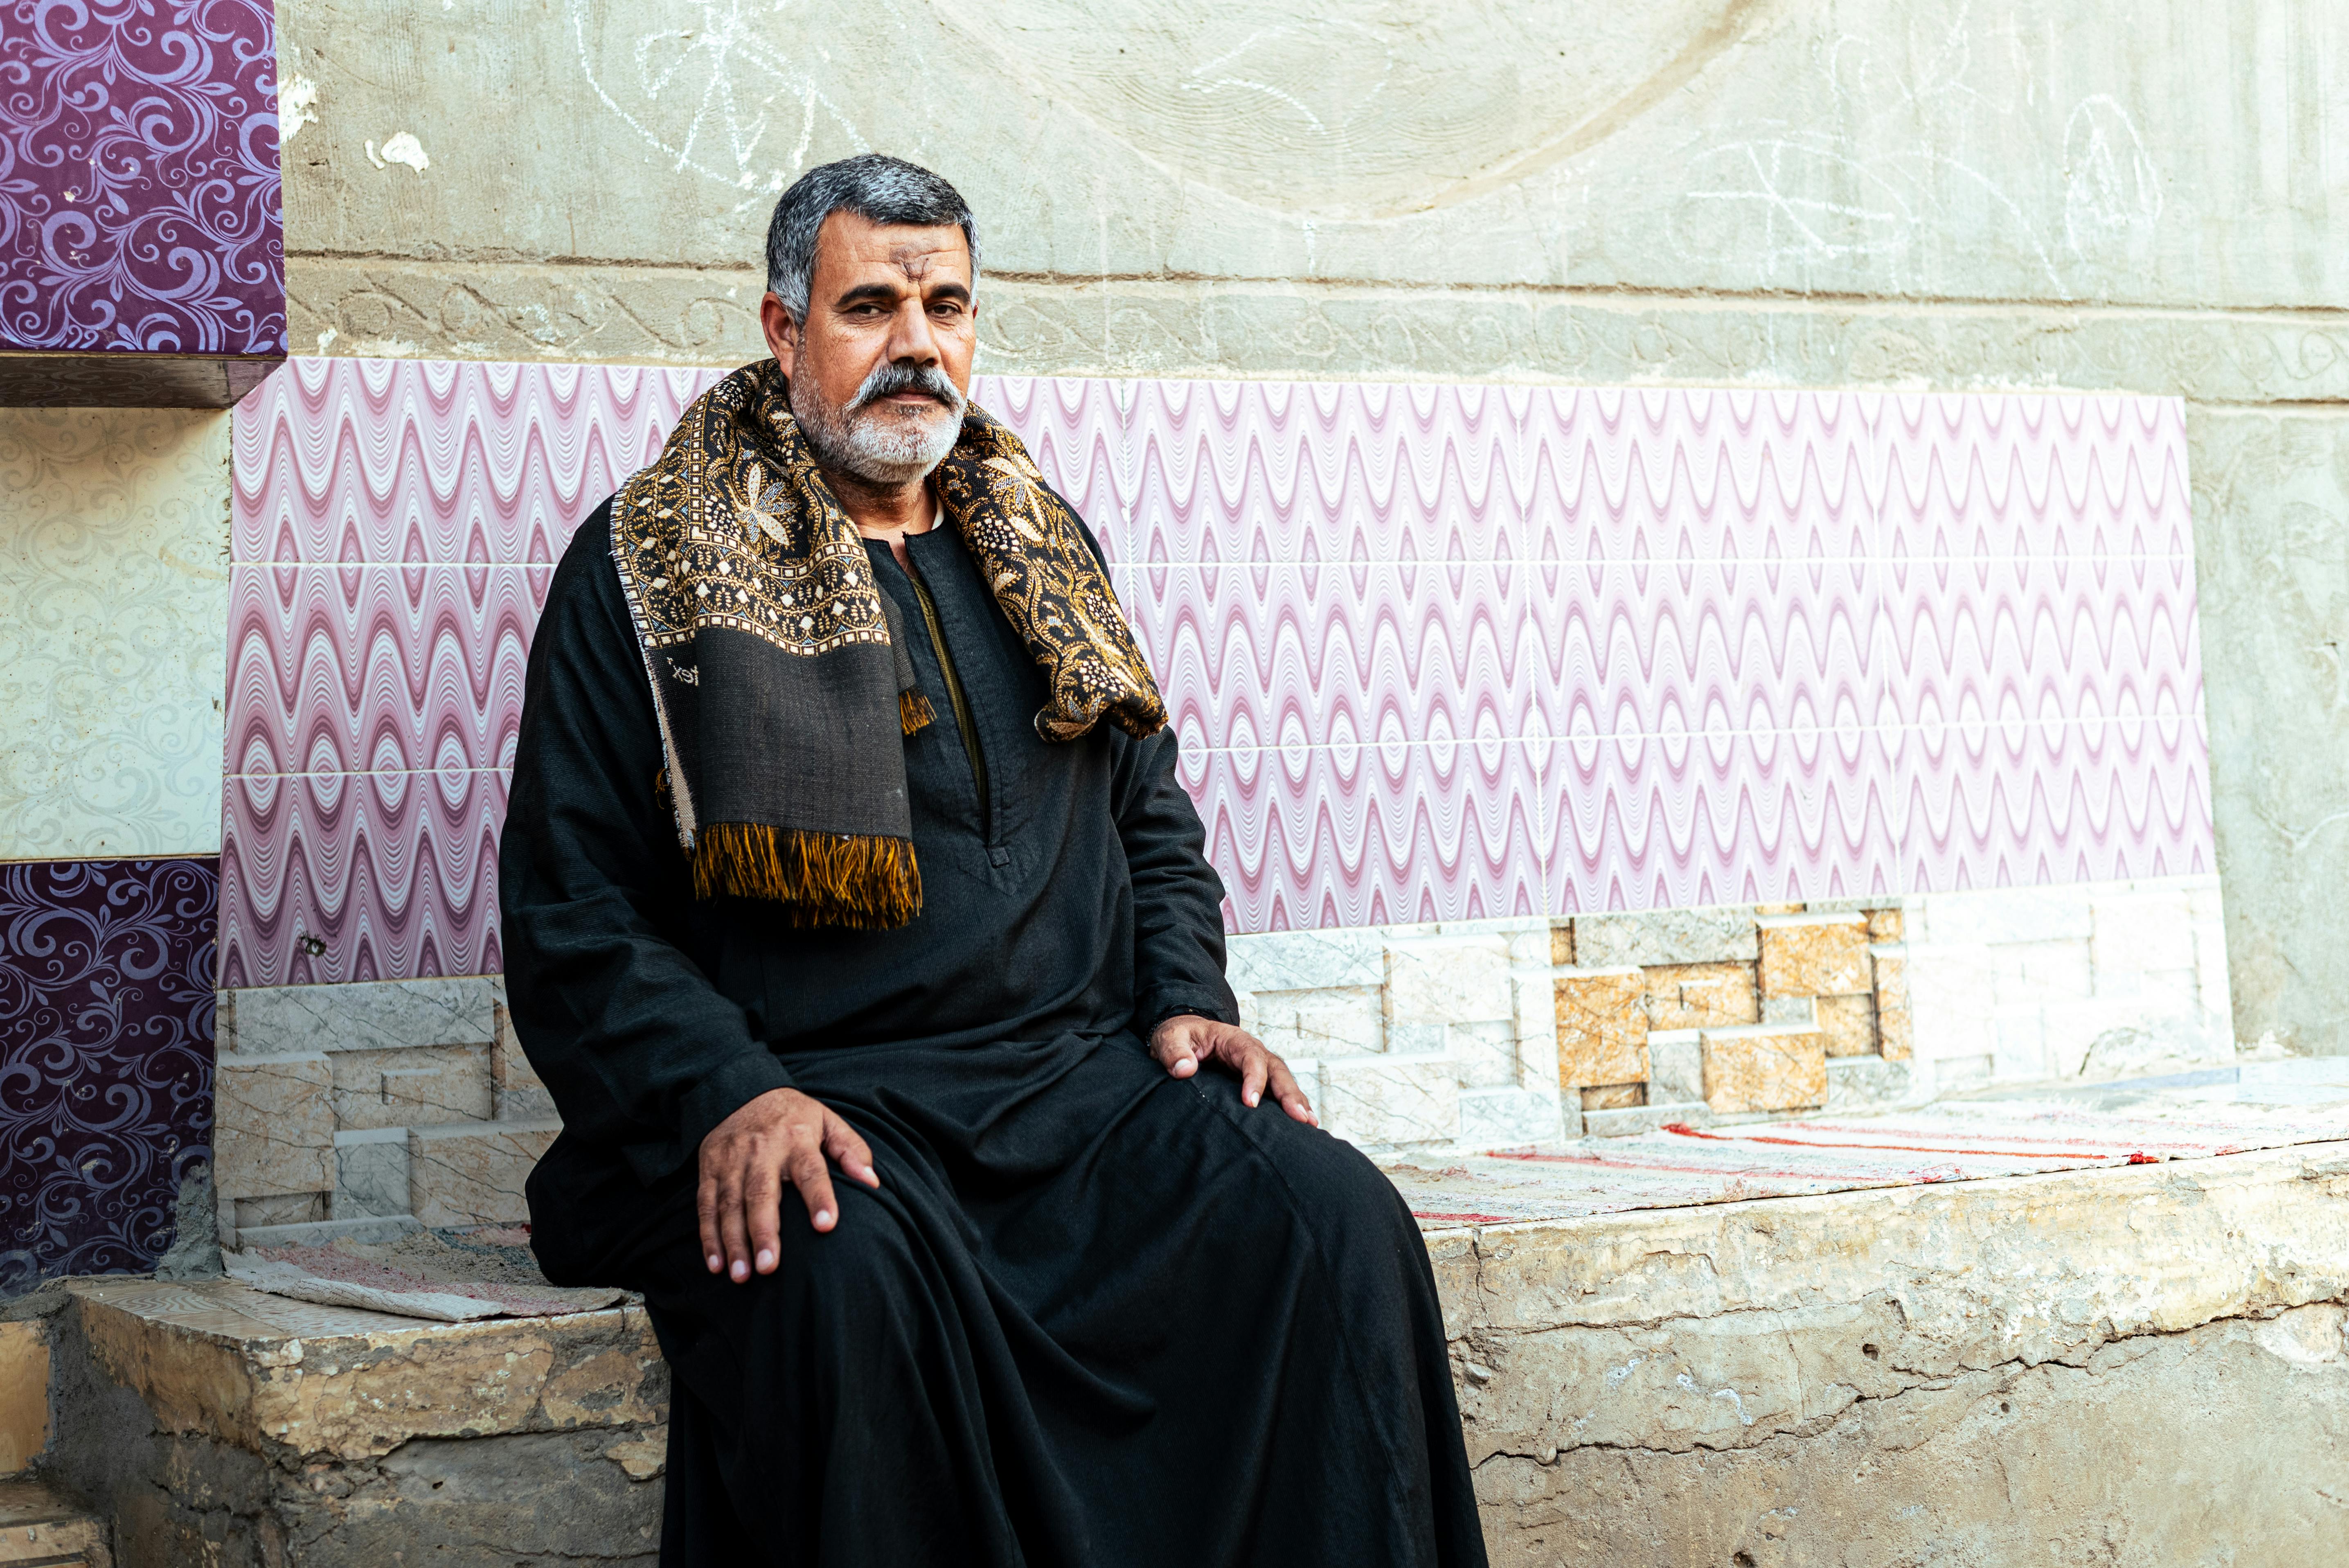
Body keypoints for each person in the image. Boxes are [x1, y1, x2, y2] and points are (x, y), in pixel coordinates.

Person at [500, 152, 1487, 1568]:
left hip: (1072, 1095)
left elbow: (1150, 816)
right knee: (837, 1280)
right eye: (871, 307)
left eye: (946, 306)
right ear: (785, 329)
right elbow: (576, 910)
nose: (917, 344)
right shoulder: (646, 565)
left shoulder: (1040, 543)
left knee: (1333, 1223)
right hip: (823, 1100)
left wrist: (1187, 995)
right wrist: (731, 1092)